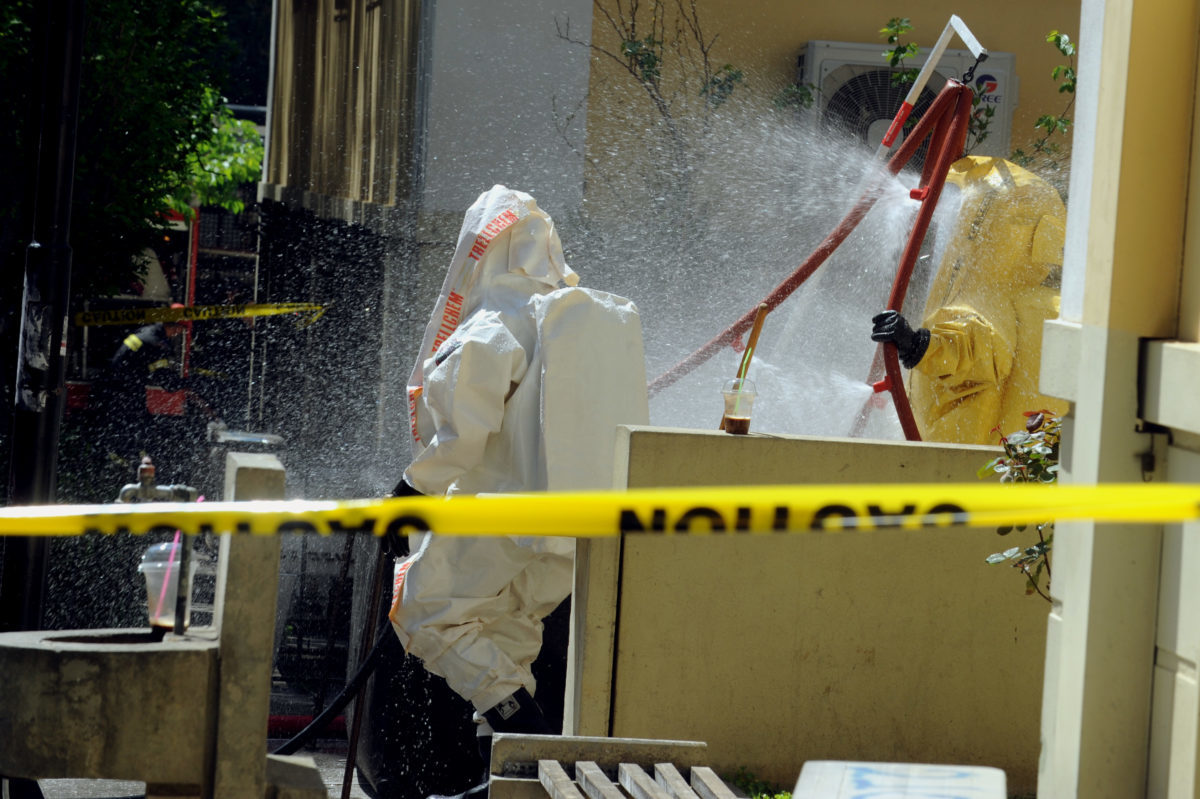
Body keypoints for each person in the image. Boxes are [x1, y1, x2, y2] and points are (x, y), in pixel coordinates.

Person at [387, 185, 649, 789]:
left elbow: (460, 435)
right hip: (575, 530)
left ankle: (520, 722)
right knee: (508, 637)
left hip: (501, 516)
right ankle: (506, 774)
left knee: (422, 611)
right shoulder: (576, 324)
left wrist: (410, 490)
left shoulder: (490, 326)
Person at [870, 156, 1070, 444]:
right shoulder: (1049, 304)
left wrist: (917, 345)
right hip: (1014, 464)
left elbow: (978, 351)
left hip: (959, 459)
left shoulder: (989, 302)